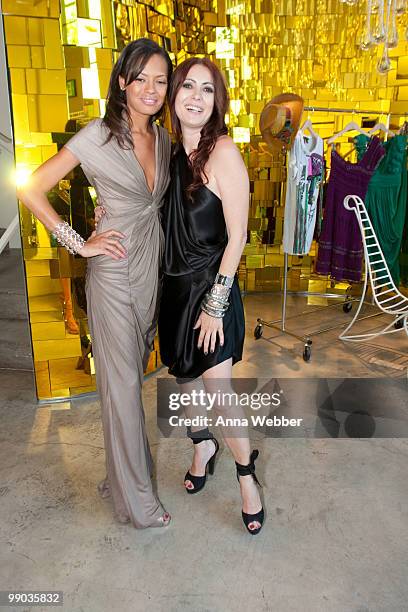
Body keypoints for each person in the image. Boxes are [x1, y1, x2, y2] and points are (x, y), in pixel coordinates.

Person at [18, 38, 173, 529]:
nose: (151, 88)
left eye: (160, 79)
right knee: (125, 385)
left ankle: (122, 476)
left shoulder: (164, 139)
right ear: (122, 82)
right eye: (141, 78)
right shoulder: (96, 136)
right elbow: (30, 187)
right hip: (113, 273)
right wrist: (78, 242)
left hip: (153, 268)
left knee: (124, 384)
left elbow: (159, 203)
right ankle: (139, 502)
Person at [158, 58, 265, 534]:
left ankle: (246, 475)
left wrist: (216, 304)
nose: (196, 97)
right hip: (174, 290)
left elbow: (238, 235)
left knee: (218, 392)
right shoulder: (166, 153)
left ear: (216, 100)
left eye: (206, 89)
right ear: (173, 95)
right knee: (184, 386)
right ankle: (203, 445)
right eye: (187, 87)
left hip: (211, 291)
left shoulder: (223, 151)